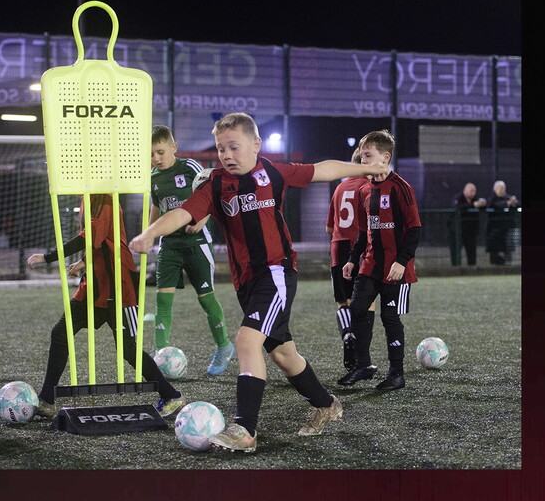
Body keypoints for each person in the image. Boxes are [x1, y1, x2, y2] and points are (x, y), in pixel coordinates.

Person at [129, 112, 387, 453]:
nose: (226, 155)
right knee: (283, 354)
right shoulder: (216, 184)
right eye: (221, 149)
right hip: (245, 283)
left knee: (246, 340)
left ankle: (245, 430)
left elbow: (321, 170)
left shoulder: (273, 172)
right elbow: (183, 213)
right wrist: (149, 233)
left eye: (234, 147)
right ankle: (326, 404)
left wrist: (366, 169)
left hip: (276, 273)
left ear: (256, 145)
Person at [26, 194, 187, 420]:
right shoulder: (86, 197)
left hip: (119, 287)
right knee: (60, 333)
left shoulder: (104, 197)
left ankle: (171, 396)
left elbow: (91, 236)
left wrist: (48, 256)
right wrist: (84, 262)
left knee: (128, 350)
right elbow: (103, 239)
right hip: (94, 284)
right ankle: (47, 400)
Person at [148, 125, 235, 376]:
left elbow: (210, 195)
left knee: (206, 298)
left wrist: (202, 219)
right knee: (162, 300)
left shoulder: (191, 168)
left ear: (173, 148)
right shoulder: (152, 177)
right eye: (151, 154)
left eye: (161, 152)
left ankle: (223, 346)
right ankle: (160, 356)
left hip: (196, 243)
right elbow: (157, 207)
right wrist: (150, 233)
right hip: (170, 245)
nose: (156, 158)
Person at [339, 130, 422, 391]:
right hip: (371, 264)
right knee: (357, 310)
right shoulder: (364, 190)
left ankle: (397, 374)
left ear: (385, 157)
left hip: (396, 268)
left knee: (390, 318)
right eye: (362, 157)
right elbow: (364, 232)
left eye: (368, 156)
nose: (363, 162)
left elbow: (415, 229)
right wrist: (353, 258)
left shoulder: (401, 188)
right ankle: (363, 366)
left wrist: (402, 261)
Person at [325, 149, 376, 372]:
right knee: (367, 302)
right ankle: (363, 355)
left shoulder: (340, 187)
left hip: (339, 247)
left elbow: (329, 227)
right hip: (362, 248)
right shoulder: (368, 187)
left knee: (343, 302)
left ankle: (347, 334)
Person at [450, 182, 487, 266]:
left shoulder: (476, 199)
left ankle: (472, 269)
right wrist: (472, 205)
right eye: (471, 190)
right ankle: (456, 268)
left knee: (471, 250)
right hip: (458, 231)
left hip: (471, 231)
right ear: (465, 190)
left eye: (474, 191)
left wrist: (483, 204)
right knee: (456, 251)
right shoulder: (458, 198)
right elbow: (458, 207)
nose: (473, 193)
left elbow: (485, 207)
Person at [485, 180, 519, 265]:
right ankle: (495, 267)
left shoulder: (508, 197)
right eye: (500, 188)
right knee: (494, 250)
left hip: (508, 229)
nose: (502, 190)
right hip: (495, 230)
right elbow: (495, 205)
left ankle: (508, 267)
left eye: (503, 188)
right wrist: (507, 204)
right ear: (495, 189)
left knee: (508, 249)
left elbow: (517, 205)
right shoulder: (492, 199)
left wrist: (514, 203)